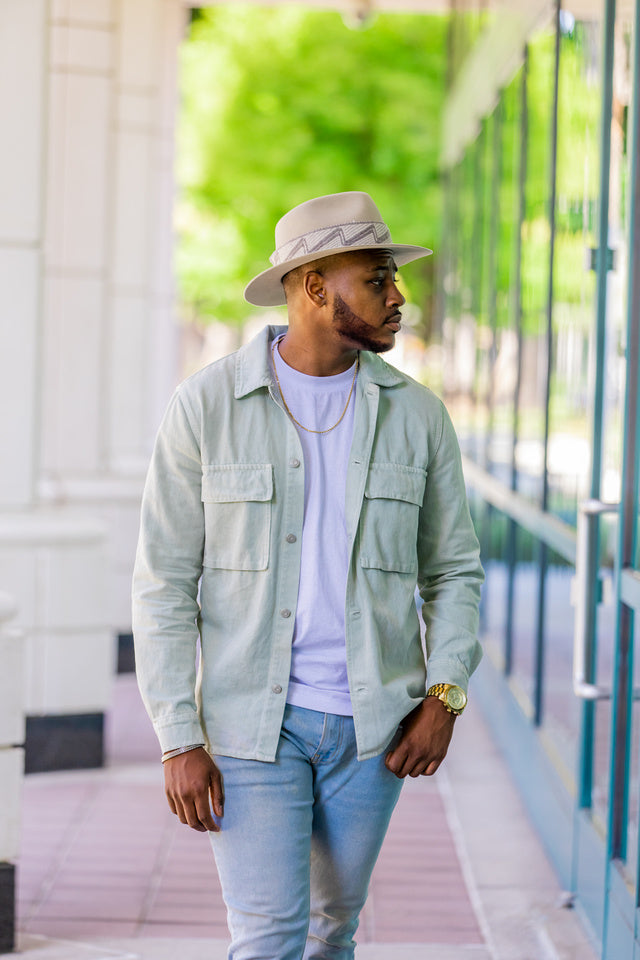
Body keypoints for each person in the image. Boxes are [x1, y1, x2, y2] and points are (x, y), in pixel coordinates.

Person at [132, 191, 484, 960]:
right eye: (379, 279)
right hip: (250, 729)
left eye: (395, 280)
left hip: (374, 730)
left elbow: (454, 571)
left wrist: (446, 694)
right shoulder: (206, 407)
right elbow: (163, 582)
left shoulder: (417, 416)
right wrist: (175, 738)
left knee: (332, 937)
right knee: (268, 941)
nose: (399, 298)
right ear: (316, 286)